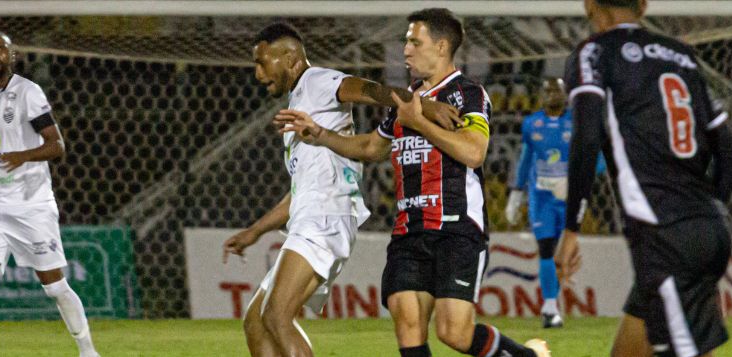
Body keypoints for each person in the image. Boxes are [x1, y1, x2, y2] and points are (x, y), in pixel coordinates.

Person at [275, 9, 549, 357]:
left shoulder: (467, 94)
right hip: (409, 230)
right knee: (407, 323)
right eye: (406, 41)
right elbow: (372, 147)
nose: (405, 50)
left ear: (441, 46)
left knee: (455, 333)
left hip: (457, 229)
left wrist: (419, 122)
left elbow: (473, 152)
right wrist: (320, 134)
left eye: (414, 41)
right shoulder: (407, 99)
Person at [221, 23, 463, 357]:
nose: (258, 73)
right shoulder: (300, 106)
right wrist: (255, 231)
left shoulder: (317, 81)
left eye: (263, 62)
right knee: (256, 321)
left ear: (290, 58)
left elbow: (369, 90)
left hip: (325, 215)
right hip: (314, 212)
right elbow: (301, 190)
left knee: (276, 316)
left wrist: (424, 107)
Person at [555, 0, 732, 356]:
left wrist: (571, 228)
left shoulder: (593, 54)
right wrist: (705, 211)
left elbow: (586, 138)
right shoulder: (682, 56)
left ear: (589, 5)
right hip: (708, 229)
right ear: (643, 5)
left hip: (665, 237)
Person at [0, 31, 99, 357]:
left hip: (31, 203)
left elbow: (56, 145)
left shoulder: (28, 93)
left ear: (12, 57)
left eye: (1, 49)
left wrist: (23, 156)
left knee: (55, 286)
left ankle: (87, 350)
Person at [505, 78, 604, 328]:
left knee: (565, 254)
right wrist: (516, 193)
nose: (553, 95)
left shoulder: (578, 122)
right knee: (546, 249)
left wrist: (575, 181)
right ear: (540, 95)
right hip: (542, 198)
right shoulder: (531, 124)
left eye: (557, 90)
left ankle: (554, 301)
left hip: (571, 199)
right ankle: (550, 309)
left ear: (566, 94)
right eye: (548, 90)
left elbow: (600, 159)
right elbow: (526, 159)